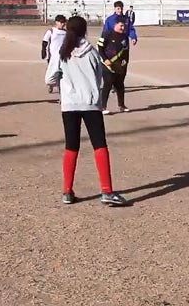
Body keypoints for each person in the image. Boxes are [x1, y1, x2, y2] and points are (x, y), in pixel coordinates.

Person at [44, 15, 129, 207]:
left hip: (69, 105)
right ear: (84, 31)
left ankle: (67, 191)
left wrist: (63, 80)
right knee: (99, 145)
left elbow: (49, 78)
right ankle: (106, 190)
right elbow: (99, 78)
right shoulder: (92, 53)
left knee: (71, 146)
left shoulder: (62, 51)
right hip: (91, 104)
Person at [97, 16, 131, 115]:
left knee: (120, 85)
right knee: (107, 84)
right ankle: (103, 107)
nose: (122, 28)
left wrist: (125, 61)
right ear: (115, 25)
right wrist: (105, 59)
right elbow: (100, 47)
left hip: (119, 66)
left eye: (124, 26)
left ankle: (121, 105)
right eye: (121, 26)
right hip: (107, 65)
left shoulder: (124, 37)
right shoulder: (106, 34)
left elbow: (126, 51)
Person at [41, 15, 68, 93]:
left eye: (64, 23)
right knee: (52, 71)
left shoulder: (66, 32)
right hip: (52, 56)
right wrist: (43, 51)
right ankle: (51, 85)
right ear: (56, 22)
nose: (63, 24)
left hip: (62, 56)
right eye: (61, 22)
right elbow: (45, 41)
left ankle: (60, 90)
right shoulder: (51, 31)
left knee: (61, 73)